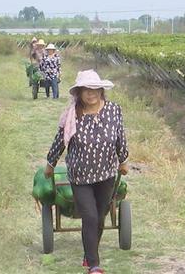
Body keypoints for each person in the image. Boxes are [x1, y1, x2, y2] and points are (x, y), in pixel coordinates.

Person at [44, 69, 129, 274]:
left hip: (106, 174)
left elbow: (120, 136)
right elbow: (60, 141)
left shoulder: (113, 110)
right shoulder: (73, 114)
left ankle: (88, 253)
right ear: (79, 93)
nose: (91, 94)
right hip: (80, 175)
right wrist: (51, 163)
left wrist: (124, 159)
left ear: (101, 90)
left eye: (94, 89)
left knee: (99, 216)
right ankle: (94, 265)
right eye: (86, 90)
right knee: (89, 216)